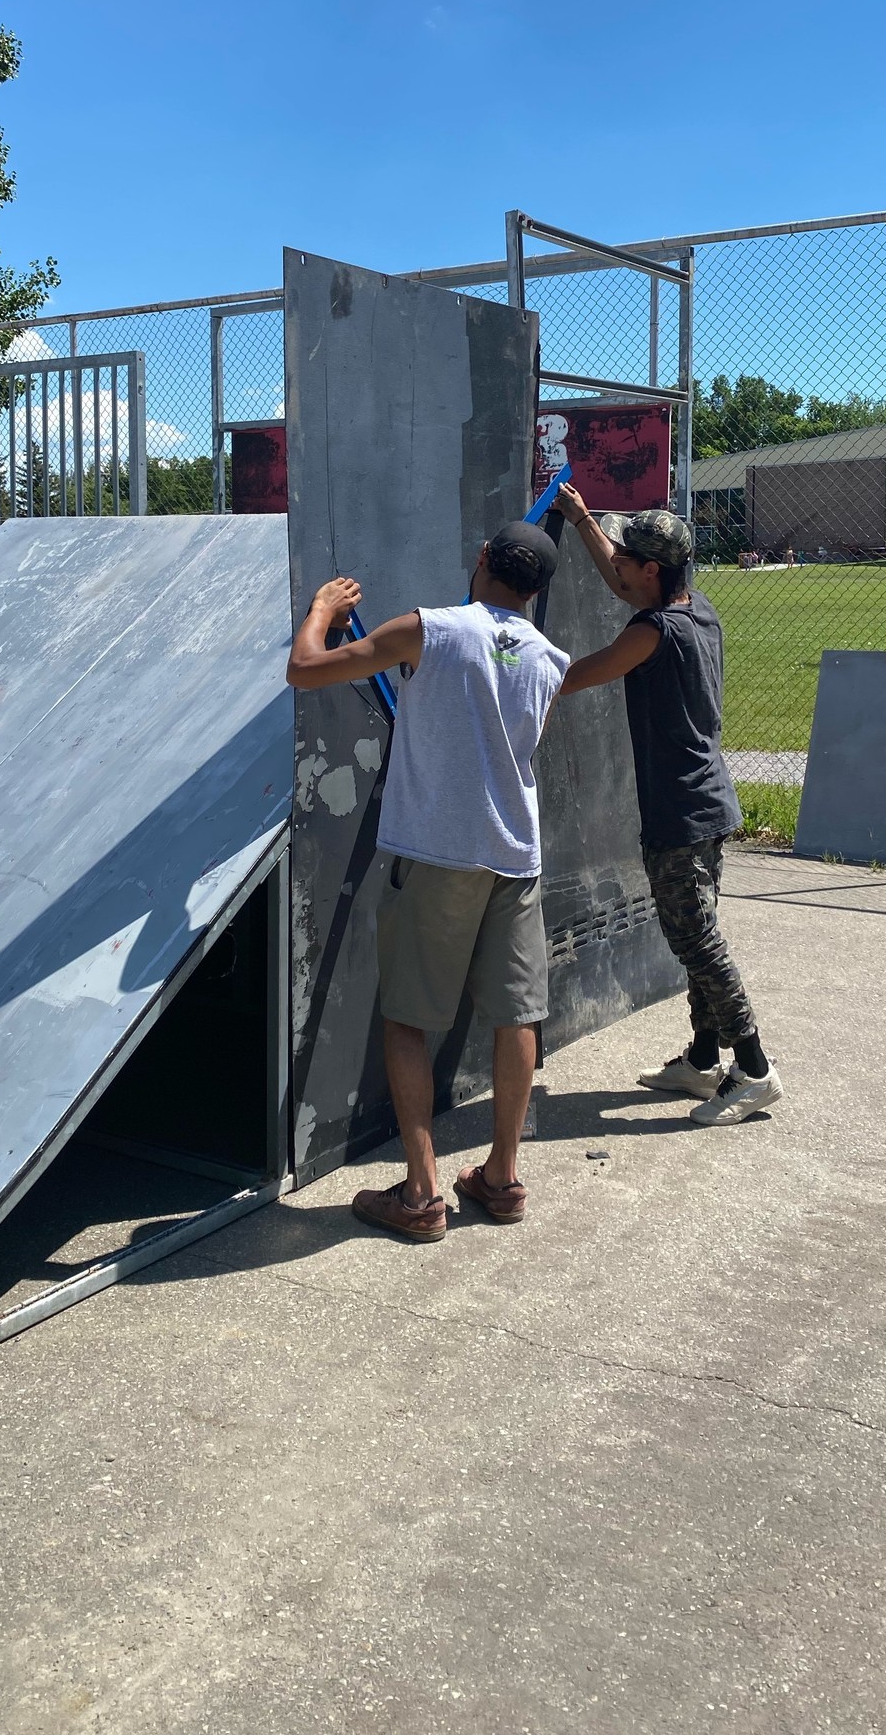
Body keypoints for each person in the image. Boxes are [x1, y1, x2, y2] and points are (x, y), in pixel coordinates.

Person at [286, 522, 570, 1241]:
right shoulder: (549, 659)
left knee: (408, 1018)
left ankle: (421, 1193)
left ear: (479, 560)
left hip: (436, 856)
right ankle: (502, 1178)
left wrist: (322, 608)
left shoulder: (428, 629)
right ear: (538, 590)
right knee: (517, 1015)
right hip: (516, 857)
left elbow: (307, 670)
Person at [554, 486, 783, 1126]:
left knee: (697, 940)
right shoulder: (695, 611)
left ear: (652, 570)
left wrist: (505, 666)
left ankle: (756, 1069)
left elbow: (577, 675)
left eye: (628, 558)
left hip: (681, 813)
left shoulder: (652, 632)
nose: (619, 566)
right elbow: (621, 582)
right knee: (694, 936)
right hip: (709, 801)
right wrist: (580, 521)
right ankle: (704, 1059)